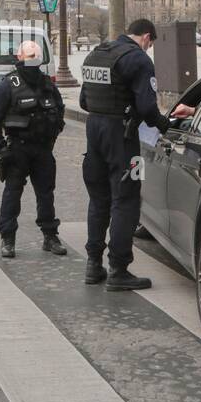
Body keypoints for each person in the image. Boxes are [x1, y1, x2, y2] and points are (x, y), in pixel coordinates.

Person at [80, 18, 183, 291]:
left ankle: (93, 264)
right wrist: (166, 126)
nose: (148, 48)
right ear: (147, 37)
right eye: (150, 44)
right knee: (127, 200)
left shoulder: (97, 53)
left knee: (98, 199)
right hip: (124, 139)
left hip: (94, 134)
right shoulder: (138, 60)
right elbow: (148, 109)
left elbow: (82, 101)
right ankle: (119, 268)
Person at [0, 40, 66, 259]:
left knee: (46, 194)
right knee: (12, 194)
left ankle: (50, 236)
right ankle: (8, 239)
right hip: (17, 149)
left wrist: (52, 135)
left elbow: (59, 112)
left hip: (43, 149)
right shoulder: (8, 85)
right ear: (19, 58)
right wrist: (2, 148)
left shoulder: (47, 83)